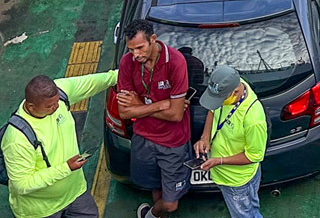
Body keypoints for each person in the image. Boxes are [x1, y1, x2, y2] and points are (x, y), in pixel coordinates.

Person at [2, 68, 118, 218]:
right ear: (31, 107)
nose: (56, 107)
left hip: (76, 193)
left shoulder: (59, 95)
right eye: (50, 106)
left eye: (57, 102)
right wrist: (66, 168)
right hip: (41, 210)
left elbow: (92, 82)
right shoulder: (16, 139)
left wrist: (120, 74)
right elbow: (22, 184)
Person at [117, 19, 192, 218]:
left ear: (153, 39)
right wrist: (161, 104)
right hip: (144, 139)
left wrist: (138, 105)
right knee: (155, 187)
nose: (136, 55)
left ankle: (150, 215)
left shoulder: (175, 62)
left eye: (140, 48)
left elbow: (176, 115)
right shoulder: (127, 62)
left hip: (172, 143)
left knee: (170, 203)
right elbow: (124, 112)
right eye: (131, 49)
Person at [195, 66, 268, 218]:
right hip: (222, 174)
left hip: (237, 182)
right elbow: (212, 109)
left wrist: (219, 161)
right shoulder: (229, 85)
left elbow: (253, 156)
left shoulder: (253, 119)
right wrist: (205, 137)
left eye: (220, 100)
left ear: (235, 91)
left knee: (245, 215)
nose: (218, 103)